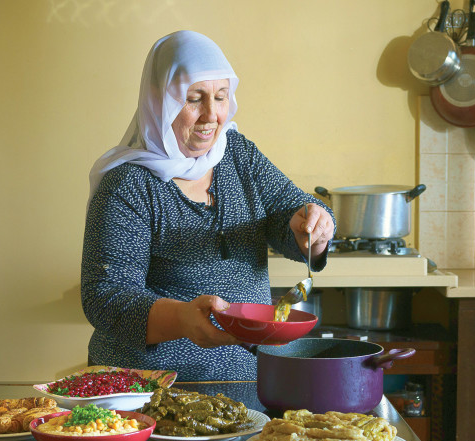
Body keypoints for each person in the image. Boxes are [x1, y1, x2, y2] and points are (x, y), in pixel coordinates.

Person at [81, 31, 335, 381]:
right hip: (146, 391)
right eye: (193, 99)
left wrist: (315, 228)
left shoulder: (237, 154)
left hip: (248, 386)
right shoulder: (128, 185)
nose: (212, 115)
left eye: (220, 96)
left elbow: (288, 212)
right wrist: (182, 319)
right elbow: (105, 298)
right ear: (160, 101)